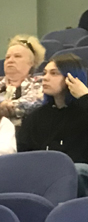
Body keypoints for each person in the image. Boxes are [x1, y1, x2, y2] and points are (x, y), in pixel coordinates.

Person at [16, 53, 88, 197]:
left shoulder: (84, 110)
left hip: (79, 174)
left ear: (72, 78)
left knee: (74, 171)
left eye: (54, 73)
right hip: (45, 175)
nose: (45, 78)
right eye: (45, 73)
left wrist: (85, 97)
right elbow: (24, 154)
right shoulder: (36, 117)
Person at [0, 34, 46, 123]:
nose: (10, 60)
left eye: (17, 56)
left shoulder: (41, 83)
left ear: (31, 63)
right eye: (7, 57)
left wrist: (1, 107)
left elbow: (36, 103)